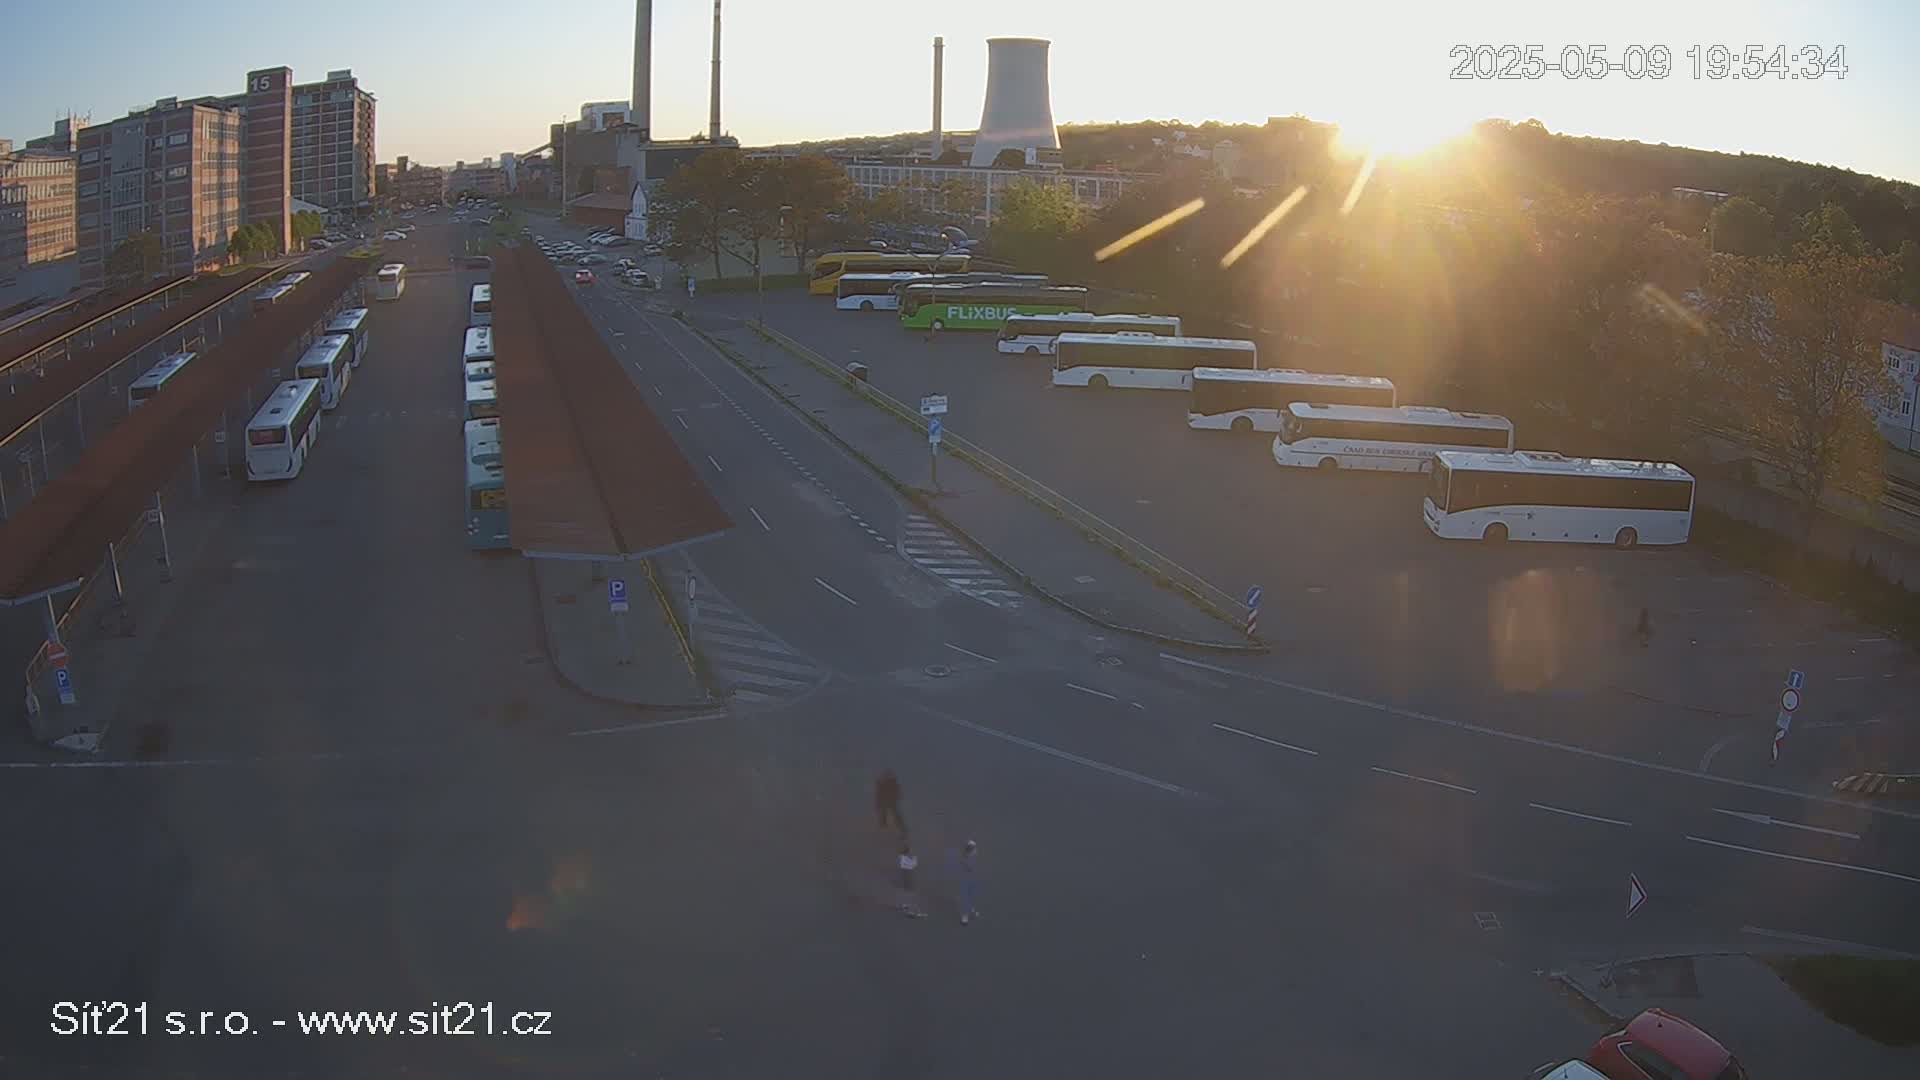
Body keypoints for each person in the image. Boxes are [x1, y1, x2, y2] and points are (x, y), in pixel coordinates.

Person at [954, 839, 979, 926]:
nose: (976, 850)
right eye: (974, 849)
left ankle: (971, 909)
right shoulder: (965, 858)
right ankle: (964, 916)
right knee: (965, 897)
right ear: (970, 850)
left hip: (971, 880)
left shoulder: (972, 856)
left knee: (971, 895)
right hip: (965, 881)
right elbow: (969, 867)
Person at [896, 842, 925, 918]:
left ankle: (906, 905)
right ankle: (909, 908)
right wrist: (910, 862)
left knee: (907, 889)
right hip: (907, 873)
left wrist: (910, 861)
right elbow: (910, 865)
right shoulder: (903, 857)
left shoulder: (911, 857)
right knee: (909, 890)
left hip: (907, 873)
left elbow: (913, 865)